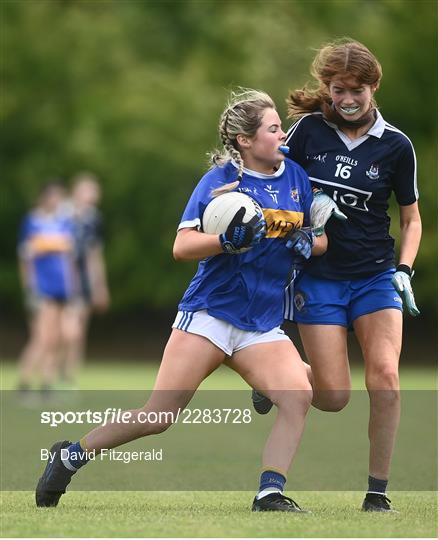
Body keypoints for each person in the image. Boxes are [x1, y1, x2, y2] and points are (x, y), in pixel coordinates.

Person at [36, 88, 327, 511]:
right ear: (245, 140)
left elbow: (319, 243)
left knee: (298, 396)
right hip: (210, 313)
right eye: (274, 128)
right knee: (159, 416)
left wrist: (308, 239)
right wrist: (226, 241)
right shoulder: (222, 180)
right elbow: (182, 246)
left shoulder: (297, 177)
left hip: (261, 323)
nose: (283, 134)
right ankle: (69, 456)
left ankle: (270, 492)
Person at [251, 39, 422, 512]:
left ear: (374, 86)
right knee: (332, 396)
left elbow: (411, 218)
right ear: (328, 88)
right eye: (338, 89)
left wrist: (404, 269)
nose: (347, 99)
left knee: (385, 377)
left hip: (375, 277)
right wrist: (303, 213)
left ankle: (377, 493)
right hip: (319, 279)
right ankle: (275, 380)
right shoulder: (307, 130)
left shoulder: (396, 145)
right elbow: (271, 179)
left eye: (357, 90)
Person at [17, 181, 78, 395]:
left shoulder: (64, 223)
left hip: (62, 287)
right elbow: (25, 258)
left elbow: (68, 259)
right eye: (54, 197)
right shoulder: (32, 222)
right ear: (44, 198)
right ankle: (24, 382)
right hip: (43, 287)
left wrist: (72, 285)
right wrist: (29, 285)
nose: (57, 201)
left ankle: (47, 383)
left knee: (59, 336)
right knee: (43, 337)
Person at [59, 172, 110, 388]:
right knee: (67, 331)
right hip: (61, 280)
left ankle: (69, 377)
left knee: (79, 332)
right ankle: (54, 372)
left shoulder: (93, 218)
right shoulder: (63, 215)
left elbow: (94, 254)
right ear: (76, 191)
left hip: (84, 280)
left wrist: (100, 286)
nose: (92, 195)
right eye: (88, 189)